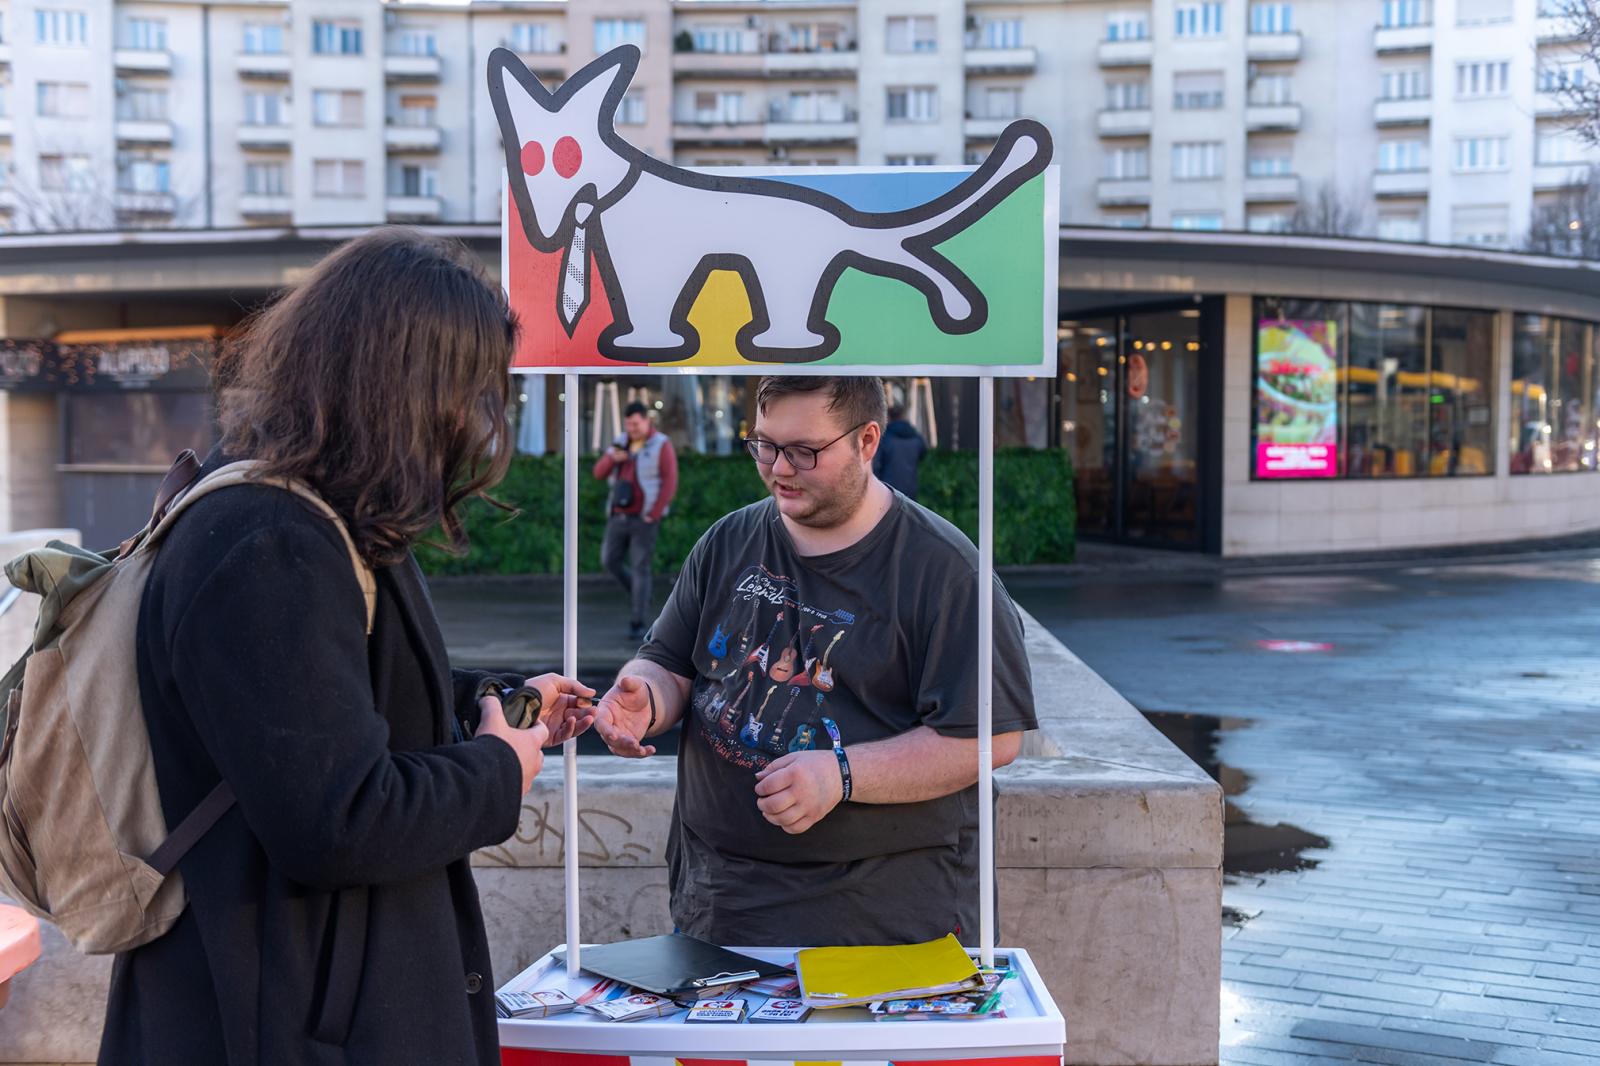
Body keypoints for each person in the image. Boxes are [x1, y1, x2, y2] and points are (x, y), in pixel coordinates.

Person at [100, 228, 595, 1066]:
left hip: (304, 1000)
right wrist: (498, 767)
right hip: (276, 1017)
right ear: (404, 386)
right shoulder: (264, 540)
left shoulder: (310, 512)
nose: (477, 424)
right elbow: (339, 821)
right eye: (470, 392)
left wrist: (499, 703)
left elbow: (334, 699)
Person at [580, 376, 1037, 947]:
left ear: (867, 441)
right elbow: (670, 663)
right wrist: (643, 700)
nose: (779, 469)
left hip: (883, 916)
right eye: (765, 446)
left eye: (804, 451)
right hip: (720, 898)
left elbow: (990, 738)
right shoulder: (727, 540)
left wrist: (841, 774)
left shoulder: (947, 574)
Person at [593, 401, 678, 640]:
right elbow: (599, 472)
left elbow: (669, 480)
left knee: (641, 567)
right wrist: (612, 458)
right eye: (628, 424)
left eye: (635, 423)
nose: (631, 428)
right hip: (618, 515)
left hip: (644, 518)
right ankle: (640, 594)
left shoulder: (661, 444)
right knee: (609, 560)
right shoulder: (620, 442)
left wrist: (655, 513)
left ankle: (637, 620)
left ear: (646, 420)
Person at [873, 402, 929, 500]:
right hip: (910, 490)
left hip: (888, 491)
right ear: (904, 416)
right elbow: (923, 453)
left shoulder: (885, 439)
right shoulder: (915, 438)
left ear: (888, 418)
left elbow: (876, 465)